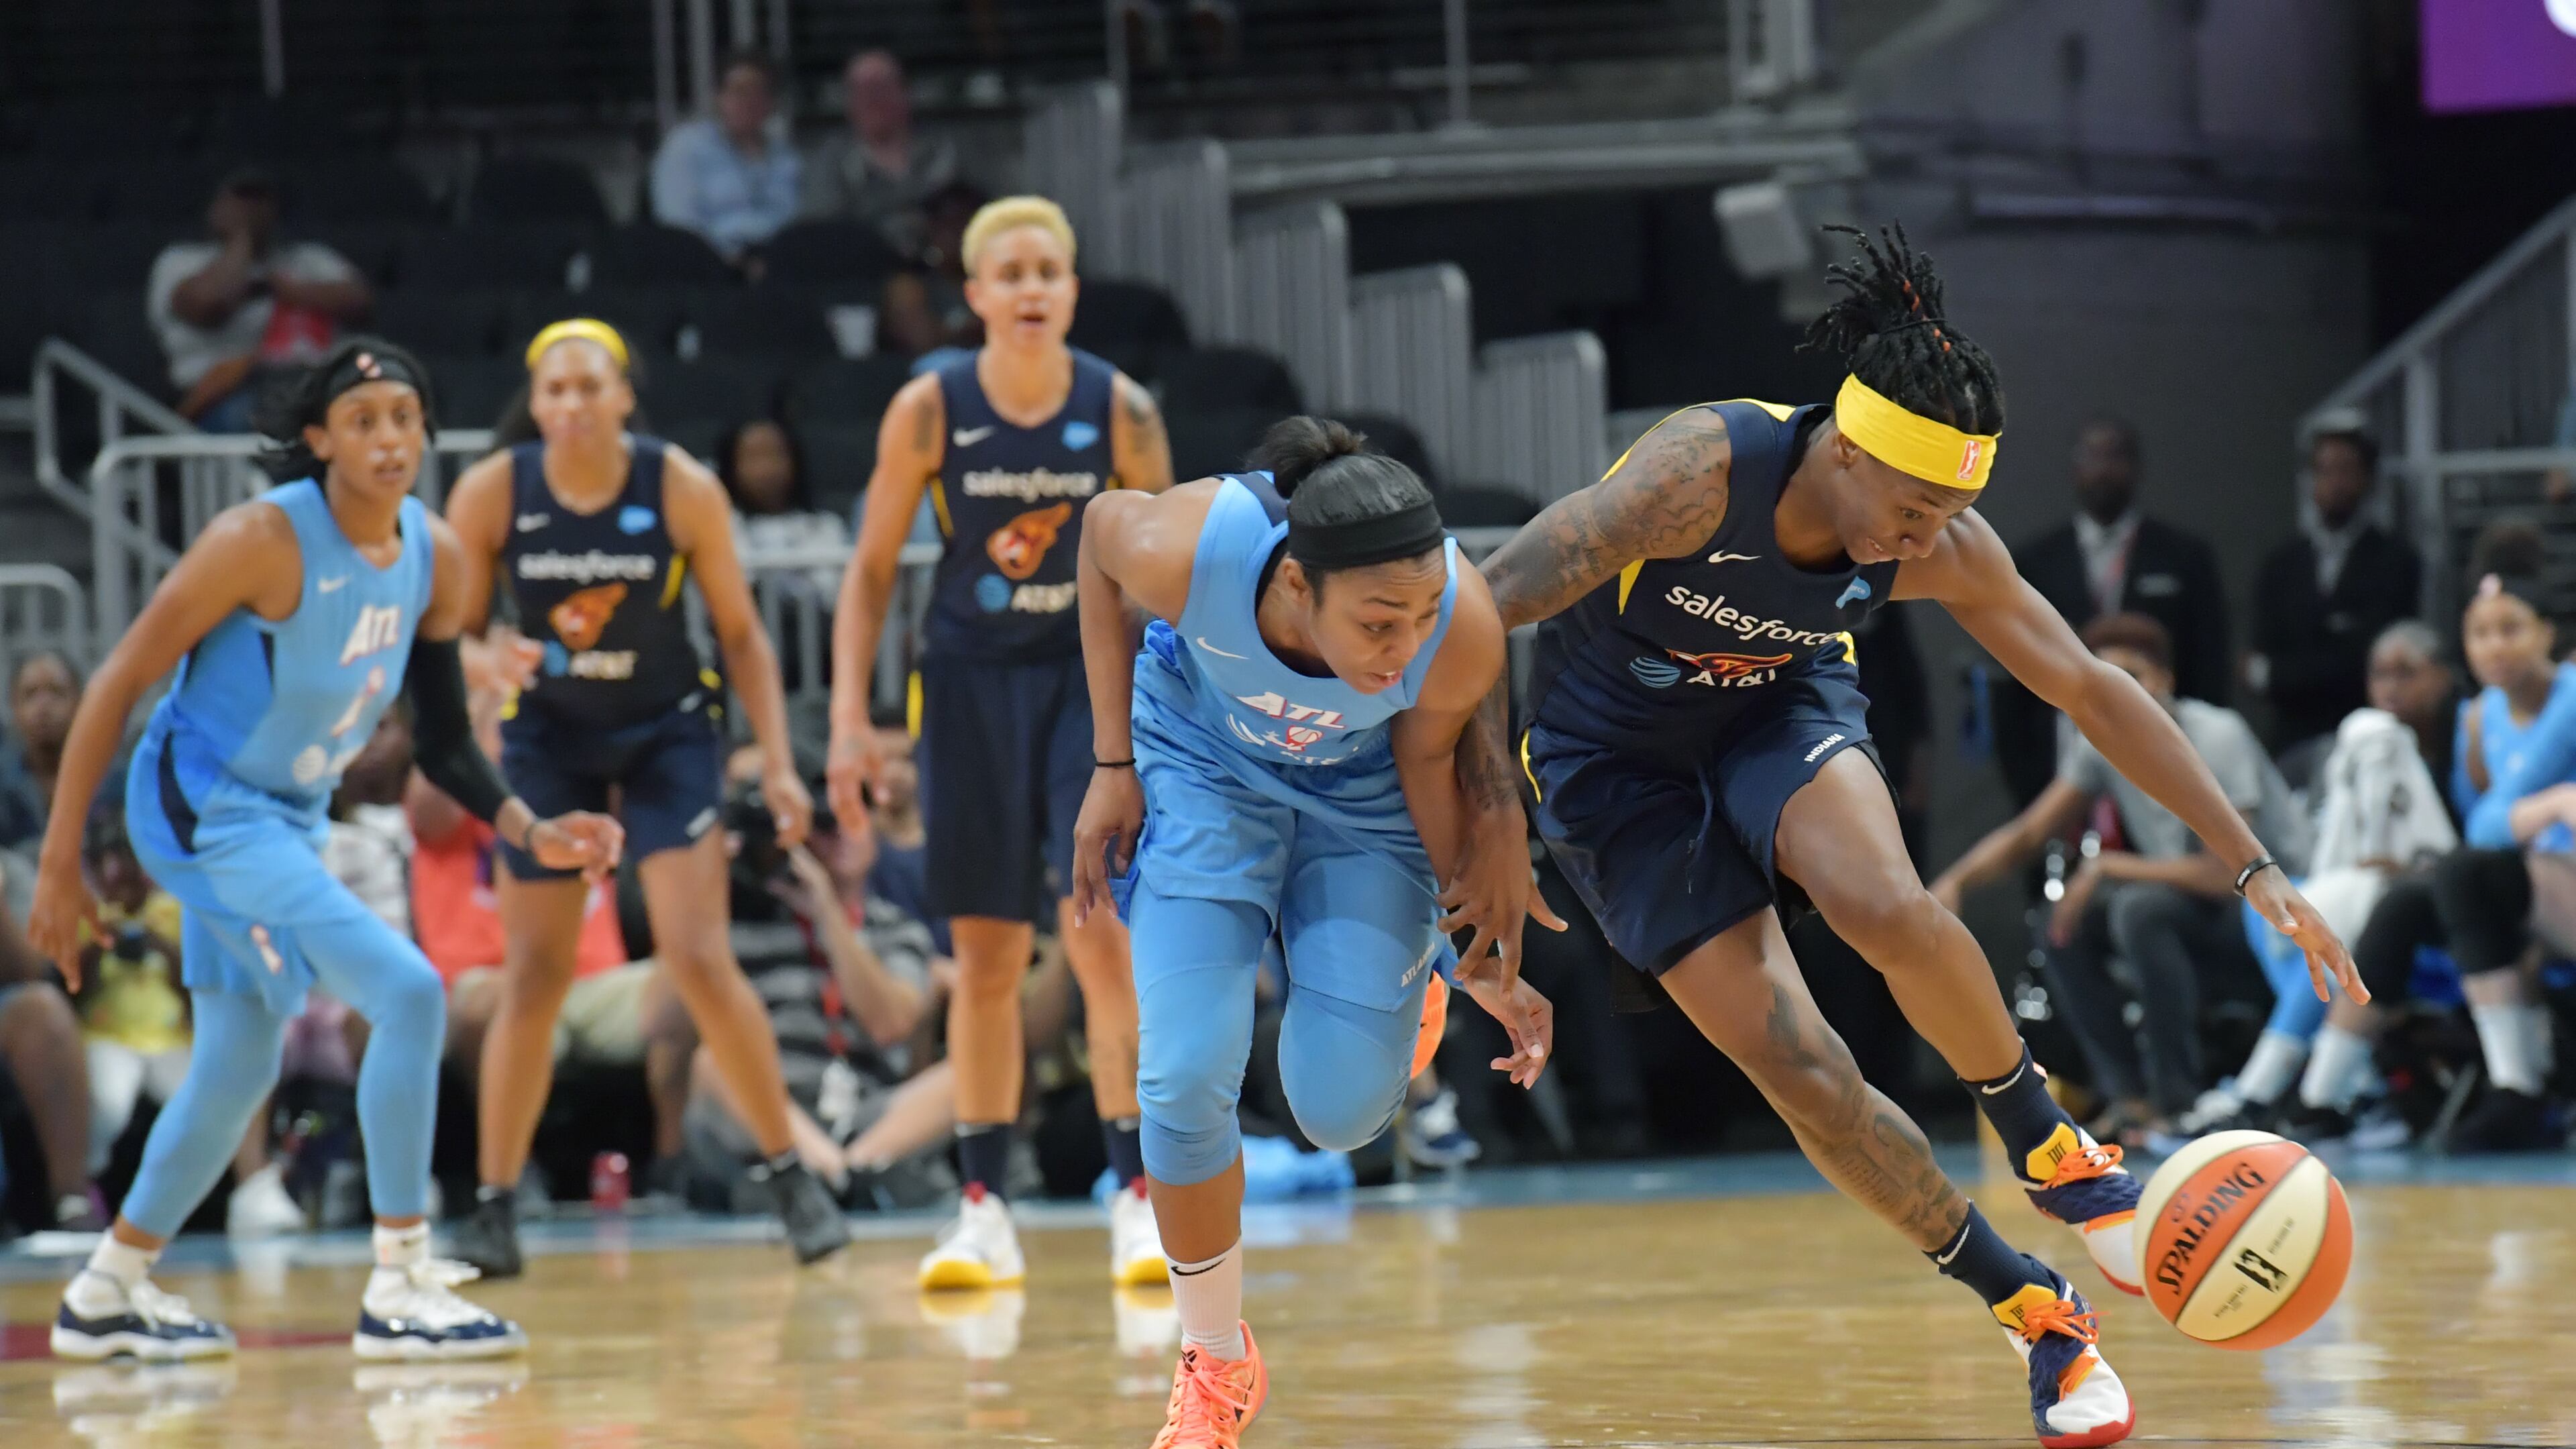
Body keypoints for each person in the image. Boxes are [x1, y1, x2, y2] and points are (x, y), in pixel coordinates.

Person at [1465, 225, 2361, 1449]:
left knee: (1886, 904)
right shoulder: (1694, 476)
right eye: (1914, 504)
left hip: (1774, 705)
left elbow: (2093, 690)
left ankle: (2056, 1151)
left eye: (1956, 510)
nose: (1929, 537)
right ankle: (2036, 1310)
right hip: (1607, 766)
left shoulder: (1934, 541)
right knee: (1804, 1072)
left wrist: (2258, 867)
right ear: (1841, 450)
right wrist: (1486, 814)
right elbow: (1474, 613)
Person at [25, 339, 623, 1362]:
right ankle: (400, 1282)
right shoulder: (260, 540)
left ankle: (108, 1288)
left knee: (237, 1065)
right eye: (363, 422)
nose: (389, 440)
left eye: (404, 418)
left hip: (289, 815)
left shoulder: (436, 553)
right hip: (202, 812)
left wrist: (530, 828)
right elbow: (119, 678)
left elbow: (440, 739)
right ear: (319, 439)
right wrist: (59, 860)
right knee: (409, 990)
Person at [1070, 417, 1556, 1446]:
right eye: (1380, 624)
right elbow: (1097, 535)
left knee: (1335, 1115)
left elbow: (1431, 769)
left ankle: (1405, 980)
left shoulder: (1455, 627)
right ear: (1296, 584)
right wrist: (1114, 765)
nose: (1407, 644)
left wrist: (1477, 962)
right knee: (1182, 1073)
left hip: (1369, 799)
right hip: (1204, 769)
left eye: (1424, 615)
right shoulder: (1188, 548)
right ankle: (1215, 1361)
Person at [440, 319, 850, 1275]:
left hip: (667, 731)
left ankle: (790, 1177)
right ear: (535, 405)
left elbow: (744, 639)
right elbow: (448, 633)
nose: (573, 405)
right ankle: (497, 1204)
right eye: (556, 391)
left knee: (700, 958)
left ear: (626, 396)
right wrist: (481, 655)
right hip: (548, 739)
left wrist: (779, 761)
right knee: (534, 976)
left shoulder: (680, 487)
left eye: (592, 388)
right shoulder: (495, 491)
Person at [826, 196, 1177, 1292]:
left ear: (1072, 289)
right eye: (1009, 272)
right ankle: (983, 1208)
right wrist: (845, 718)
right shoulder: (932, 404)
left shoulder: (1121, 409)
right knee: (982, 957)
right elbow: (873, 568)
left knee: (1101, 937)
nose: (1030, 288)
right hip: (969, 686)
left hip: (1089, 685)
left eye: (1049, 271)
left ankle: (1134, 1194)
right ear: (973, 294)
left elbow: (1166, 575)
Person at [1933, 613, 2308, 1143]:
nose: (2119, 693)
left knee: (2140, 909)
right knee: (2062, 922)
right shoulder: (2100, 739)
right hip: (2188, 905)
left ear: (2165, 681)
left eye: (2132, 678)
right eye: (2104, 680)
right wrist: (1953, 884)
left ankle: (2178, 1101)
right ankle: (2130, 1098)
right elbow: (2028, 833)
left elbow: (2231, 873)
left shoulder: (2217, 735)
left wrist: (2110, 865)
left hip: (2274, 916)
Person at [2171, 620, 2459, 1143]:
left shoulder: (2462, 742)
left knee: (2339, 917)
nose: (2391, 687)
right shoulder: (2354, 750)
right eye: (2380, 674)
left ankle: (2268, 1088)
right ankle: (2337, 1084)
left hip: (2446, 917)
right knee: (2283, 907)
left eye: (2407, 673)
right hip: (2376, 921)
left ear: (2442, 677)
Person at [1986, 417, 2229, 806]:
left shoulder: (2183, 557)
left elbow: (2209, 664)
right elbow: (2010, 679)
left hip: (2162, 747)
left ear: (2137, 467)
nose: (2103, 469)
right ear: (2073, 467)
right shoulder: (2033, 564)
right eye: (2091, 456)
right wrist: (2027, 782)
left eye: (2115, 456)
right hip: (2059, 746)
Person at [146, 169, 371, 431]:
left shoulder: (310, 258)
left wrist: (291, 291)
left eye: (260, 200)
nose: (251, 209)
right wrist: (241, 238)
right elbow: (208, 307)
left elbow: (360, 304)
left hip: (309, 384)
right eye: (240, 199)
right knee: (259, 416)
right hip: (218, 396)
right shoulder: (180, 260)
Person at [2246, 427, 2422, 750]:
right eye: (2323, 470)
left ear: (2367, 478)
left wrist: (2288, 674)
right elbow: (2259, 668)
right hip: (2291, 736)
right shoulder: (2283, 563)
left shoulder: (2395, 560)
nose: (2334, 483)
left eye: (2345, 469)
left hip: (2367, 729)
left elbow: (2368, 659)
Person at [800, 48, 962, 257]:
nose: (871, 98)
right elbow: (821, 236)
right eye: (860, 89)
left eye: (881, 86)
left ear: (905, 92)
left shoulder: (947, 154)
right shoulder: (829, 166)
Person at [650, 50, 800, 266]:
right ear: (719, 97)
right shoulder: (687, 147)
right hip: (709, 269)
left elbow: (796, 224)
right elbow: (678, 226)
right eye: (739, 92)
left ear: (771, 102)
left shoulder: (787, 159)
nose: (748, 102)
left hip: (778, 268)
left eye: (757, 93)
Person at [0, 652, 131, 854]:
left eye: (57, 692)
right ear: (14, 708)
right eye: (30, 694)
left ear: (80, 703)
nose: (43, 707)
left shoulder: (116, 778)